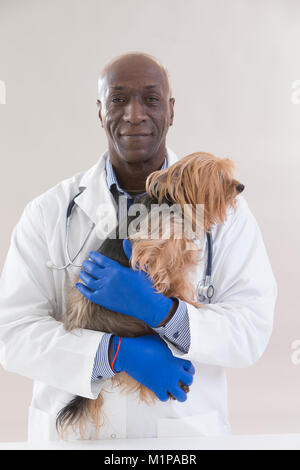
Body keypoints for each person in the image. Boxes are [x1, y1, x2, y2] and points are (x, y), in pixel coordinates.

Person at [0, 52, 277, 442]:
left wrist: (166, 315)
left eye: (151, 98)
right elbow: (12, 333)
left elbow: (250, 329)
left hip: (181, 438)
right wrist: (110, 353)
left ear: (171, 109)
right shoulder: (47, 212)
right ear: (100, 111)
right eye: (117, 99)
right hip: (77, 435)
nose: (134, 115)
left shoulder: (227, 212)